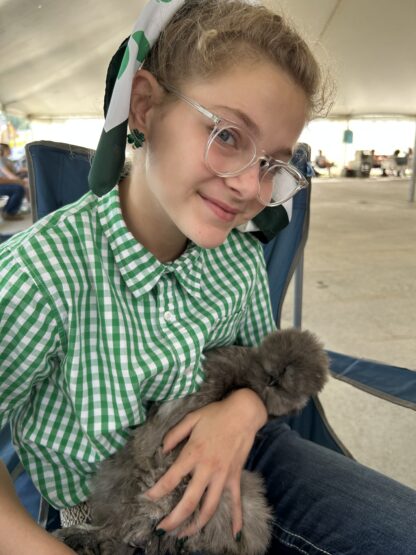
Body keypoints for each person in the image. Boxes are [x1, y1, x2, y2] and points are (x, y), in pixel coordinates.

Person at [0, 1, 415, 554]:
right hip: (112, 519)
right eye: (227, 136)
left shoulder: (238, 261)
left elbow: (264, 369)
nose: (251, 188)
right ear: (145, 106)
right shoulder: (43, 275)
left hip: (251, 460)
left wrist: (242, 413)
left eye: (273, 164)